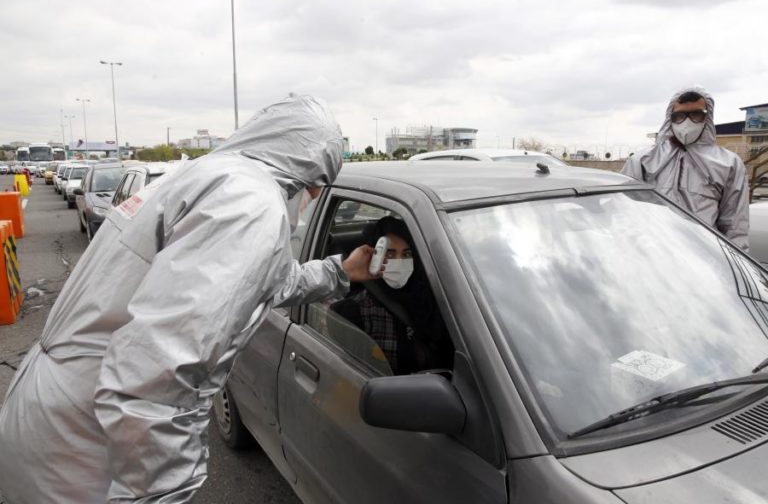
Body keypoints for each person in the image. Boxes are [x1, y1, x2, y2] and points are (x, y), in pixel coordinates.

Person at [0, 95, 377, 503]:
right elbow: (157, 375)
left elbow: (258, 282)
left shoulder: (203, 176)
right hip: (84, 446)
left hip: (52, 412)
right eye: (318, 183)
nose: (315, 195)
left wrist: (340, 271)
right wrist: (163, 494)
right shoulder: (249, 203)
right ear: (305, 171)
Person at [621, 87, 749, 250]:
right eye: (679, 116)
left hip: (702, 255)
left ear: (707, 117)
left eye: (696, 115)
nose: (687, 122)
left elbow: (735, 224)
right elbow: (623, 209)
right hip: (653, 252)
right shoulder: (644, 160)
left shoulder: (728, 164)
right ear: (670, 117)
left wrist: (736, 262)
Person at [331, 216, 453, 375]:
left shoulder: (437, 298)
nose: (399, 262)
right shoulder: (356, 311)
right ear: (374, 258)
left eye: (406, 254)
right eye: (389, 255)